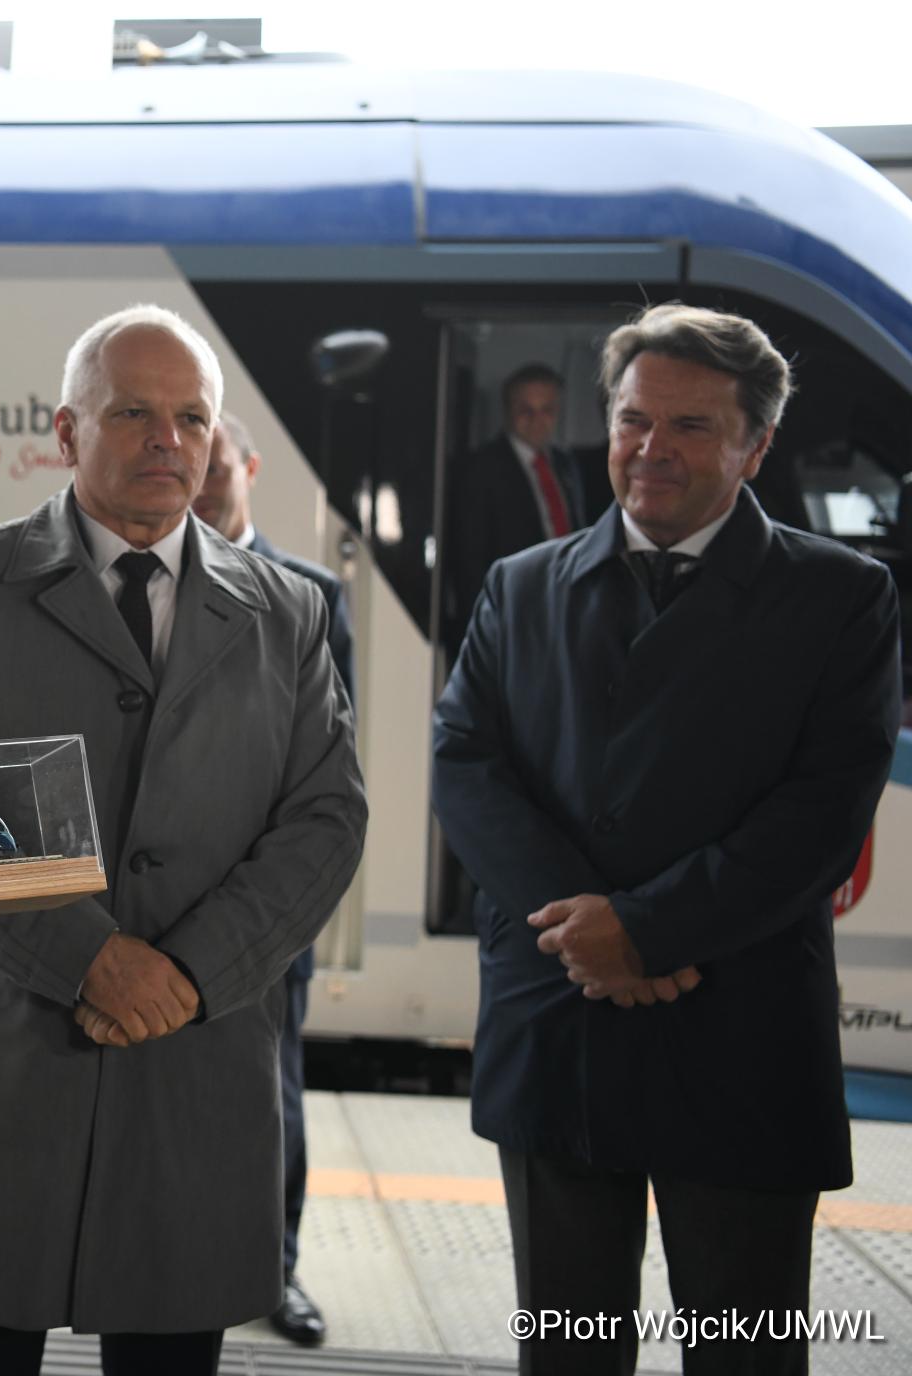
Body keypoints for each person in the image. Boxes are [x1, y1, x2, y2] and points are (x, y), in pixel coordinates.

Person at [0, 305, 367, 1375]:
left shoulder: (285, 611)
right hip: (8, 1063)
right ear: (65, 432)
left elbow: (326, 818)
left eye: (193, 417)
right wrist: (92, 957)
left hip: (194, 1066)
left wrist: (190, 973)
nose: (169, 440)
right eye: (134, 412)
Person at [432, 303, 899, 1375]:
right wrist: (583, 934)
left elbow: (824, 809)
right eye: (635, 418)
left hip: (736, 1039)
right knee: (568, 1347)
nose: (653, 448)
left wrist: (643, 931)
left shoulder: (840, 597)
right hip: (561, 1029)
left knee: (743, 1350)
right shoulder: (522, 584)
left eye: (692, 426)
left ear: (756, 445)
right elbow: (467, 766)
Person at [192, 412, 355, 1348]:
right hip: (152, 900)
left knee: (274, 1092)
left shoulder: (312, 595)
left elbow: (329, 771)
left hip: (259, 904)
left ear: (250, 468)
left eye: (218, 465)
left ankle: (274, 1271)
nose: (205, 482)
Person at [443, 362, 588, 650]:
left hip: (565, 613)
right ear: (508, 410)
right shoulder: (480, 469)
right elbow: (469, 562)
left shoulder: (564, 464)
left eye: (547, 410)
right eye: (526, 410)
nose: (537, 419)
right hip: (510, 621)